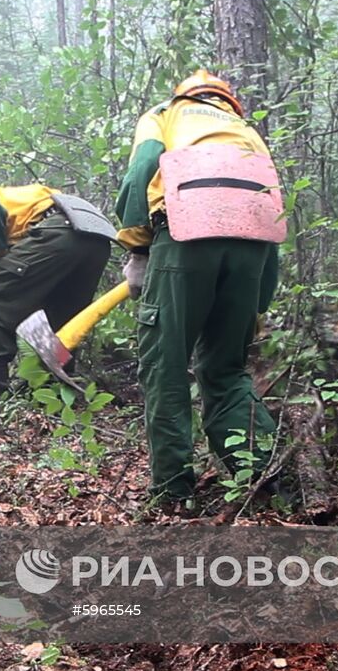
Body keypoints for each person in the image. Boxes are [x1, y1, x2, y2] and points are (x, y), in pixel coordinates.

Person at [113, 69, 286, 505]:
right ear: (228, 101)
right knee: (226, 369)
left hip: (185, 236)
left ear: (184, 94)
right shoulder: (246, 131)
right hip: (252, 247)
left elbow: (141, 172)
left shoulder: (164, 114)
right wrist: (260, 299)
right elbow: (272, 206)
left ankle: (172, 493)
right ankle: (267, 481)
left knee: (166, 365)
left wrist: (137, 248)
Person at [0, 182, 114, 411]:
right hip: (95, 237)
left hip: (61, 230)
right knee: (61, 313)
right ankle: (55, 386)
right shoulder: (14, 205)